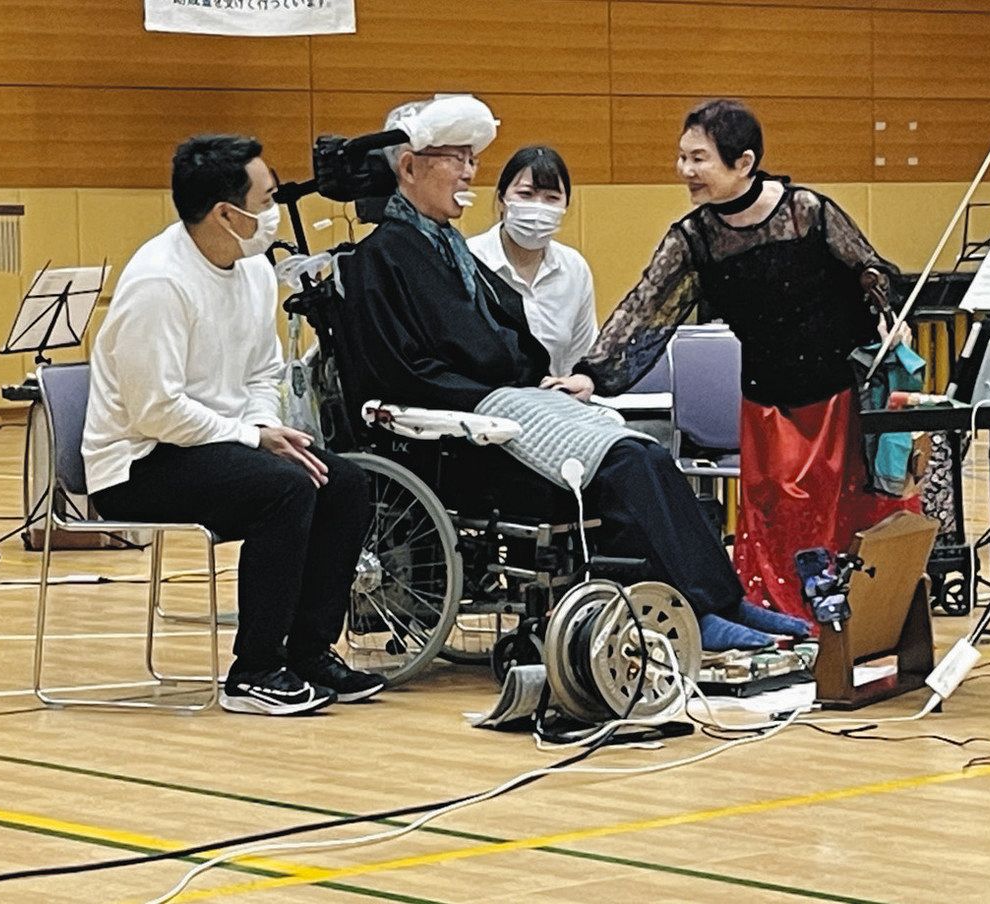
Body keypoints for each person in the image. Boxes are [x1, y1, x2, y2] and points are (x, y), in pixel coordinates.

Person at [333, 98, 811, 651]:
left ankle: (722, 600)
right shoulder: (381, 257)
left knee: (645, 451)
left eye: (472, 159)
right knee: (628, 464)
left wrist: (533, 384)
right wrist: (497, 393)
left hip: (503, 408)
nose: (468, 172)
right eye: (455, 159)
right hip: (459, 439)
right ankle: (695, 609)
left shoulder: (444, 246)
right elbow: (402, 371)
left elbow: (506, 338)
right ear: (408, 167)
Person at [547, 99, 919, 626]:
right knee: (776, 515)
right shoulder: (694, 238)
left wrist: (887, 314)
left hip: (837, 397)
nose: (685, 170)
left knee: (848, 511)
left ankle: (861, 624)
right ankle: (789, 625)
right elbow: (645, 309)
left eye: (698, 158)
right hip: (767, 404)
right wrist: (592, 373)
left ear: (743, 162)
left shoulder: (806, 212)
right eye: (682, 157)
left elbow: (869, 267)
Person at [83, 134, 385, 715]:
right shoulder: (159, 283)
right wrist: (253, 438)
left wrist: (264, 426)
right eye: (266, 200)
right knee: (284, 489)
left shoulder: (252, 270)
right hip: (138, 462)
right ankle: (254, 671)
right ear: (226, 214)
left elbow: (263, 371)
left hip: (220, 443)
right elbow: (156, 411)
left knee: (343, 483)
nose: (275, 212)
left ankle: (309, 653)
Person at [467, 146, 596, 377]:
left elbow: (580, 358)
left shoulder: (574, 269)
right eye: (526, 194)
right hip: (485, 396)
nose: (539, 207)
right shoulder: (467, 260)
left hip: (554, 396)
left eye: (552, 198)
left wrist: (580, 381)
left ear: (565, 206)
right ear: (502, 199)